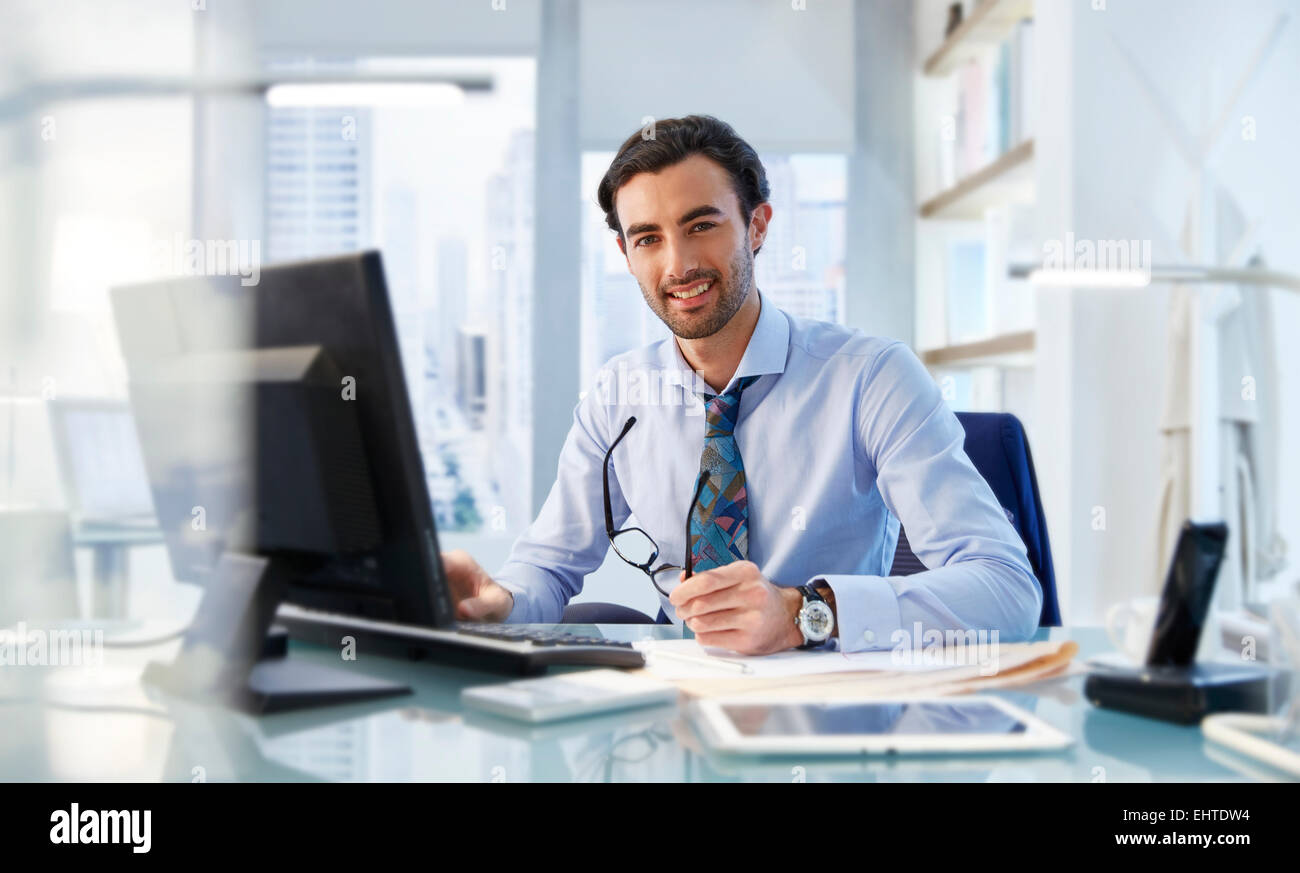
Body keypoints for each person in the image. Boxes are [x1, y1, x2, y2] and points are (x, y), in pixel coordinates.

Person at [443, 115, 1041, 655]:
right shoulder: (616, 396)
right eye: (648, 238)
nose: (678, 265)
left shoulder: (872, 377)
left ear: (757, 225)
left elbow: (1006, 586)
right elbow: (547, 569)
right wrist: (500, 602)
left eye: (701, 225)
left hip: (829, 709)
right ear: (625, 254)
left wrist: (807, 612)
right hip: (674, 711)